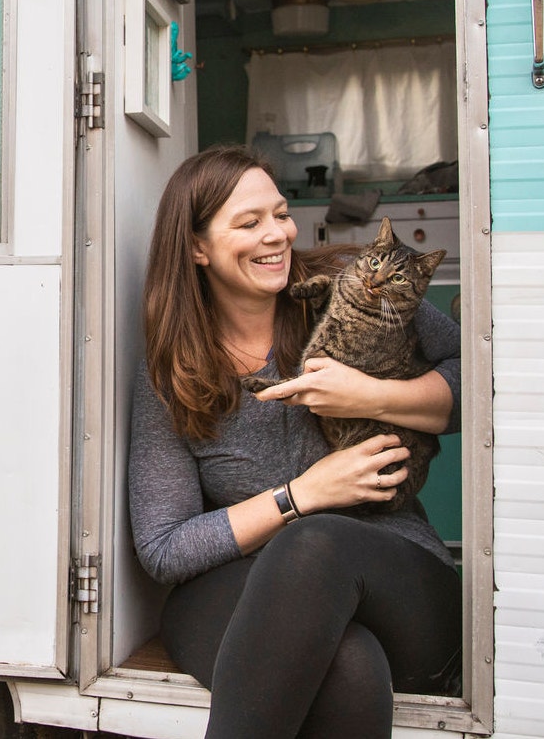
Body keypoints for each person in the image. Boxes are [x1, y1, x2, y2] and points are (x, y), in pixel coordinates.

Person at [128, 145, 462, 738]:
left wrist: (371, 396)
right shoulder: (175, 370)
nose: (276, 235)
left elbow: (480, 378)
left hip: (398, 582)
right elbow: (164, 548)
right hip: (247, 587)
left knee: (317, 545)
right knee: (348, 663)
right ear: (197, 247)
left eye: (280, 214)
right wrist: (300, 494)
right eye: (249, 222)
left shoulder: (354, 289)